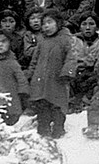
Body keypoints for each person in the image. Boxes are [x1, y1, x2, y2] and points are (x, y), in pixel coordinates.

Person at [27, 9, 77, 138]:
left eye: (50, 22)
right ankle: (43, 129)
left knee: (57, 106)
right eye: (44, 24)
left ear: (58, 23)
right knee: (43, 105)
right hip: (42, 80)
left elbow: (71, 57)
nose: (46, 26)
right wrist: (30, 74)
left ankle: (58, 129)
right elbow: (35, 60)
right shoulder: (42, 41)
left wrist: (67, 73)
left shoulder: (65, 39)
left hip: (58, 80)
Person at [70, 12, 99, 113]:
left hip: (93, 74)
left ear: (97, 27)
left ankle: (86, 102)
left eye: (91, 24)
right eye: (84, 24)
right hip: (75, 72)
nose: (87, 27)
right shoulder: (73, 41)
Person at [21, 6, 44, 71]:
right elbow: (27, 52)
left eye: (39, 18)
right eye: (32, 18)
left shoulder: (48, 33)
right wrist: (41, 48)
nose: (36, 21)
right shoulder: (29, 35)